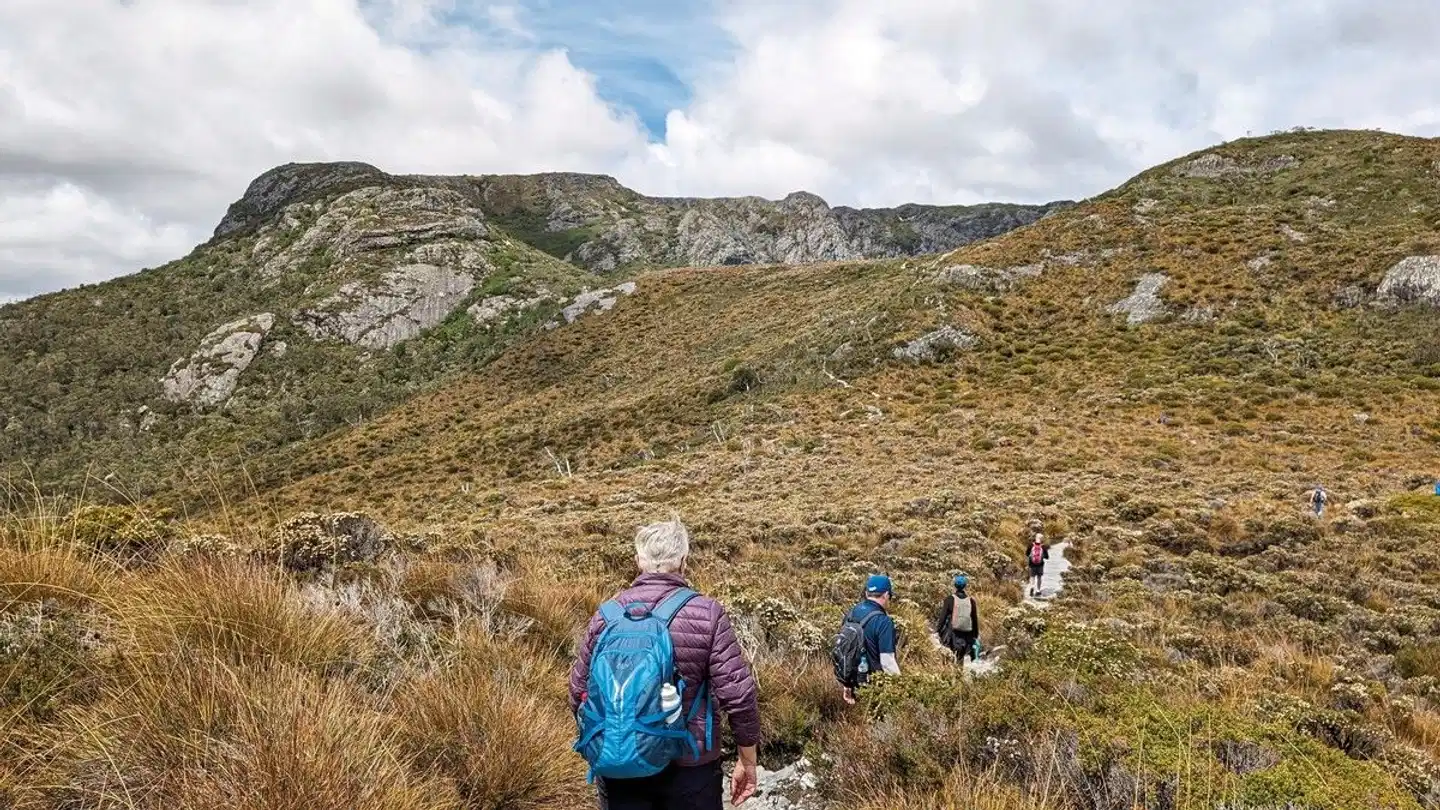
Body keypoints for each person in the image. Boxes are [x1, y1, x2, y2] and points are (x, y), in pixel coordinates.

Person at [569, 517, 761, 809]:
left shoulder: (606, 615)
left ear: (638, 561)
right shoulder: (707, 613)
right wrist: (747, 760)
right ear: (683, 560)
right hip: (691, 767)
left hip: (621, 764)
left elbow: (577, 693)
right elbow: (738, 695)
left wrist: (613, 740)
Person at [839, 574, 901, 705]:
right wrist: (900, 689)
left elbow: (844, 648)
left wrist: (846, 683)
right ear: (886, 595)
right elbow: (887, 662)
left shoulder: (852, 612)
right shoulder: (883, 621)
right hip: (874, 686)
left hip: (852, 682)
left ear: (867, 593)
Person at [933, 574, 980, 668]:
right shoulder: (971, 601)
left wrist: (937, 631)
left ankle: (949, 674)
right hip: (967, 635)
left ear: (955, 585)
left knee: (950, 655)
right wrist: (975, 635)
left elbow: (942, 618)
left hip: (953, 634)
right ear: (965, 586)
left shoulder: (950, 599)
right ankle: (959, 675)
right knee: (960, 658)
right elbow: (974, 619)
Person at [1026, 533, 1049, 598]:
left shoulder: (1030, 545)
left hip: (1032, 564)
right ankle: (1038, 591)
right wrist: (1042, 556)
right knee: (1039, 577)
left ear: (1035, 538)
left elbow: (1027, 554)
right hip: (1040, 565)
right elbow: (1047, 557)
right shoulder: (1043, 547)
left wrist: (1032, 556)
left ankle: (1032, 587)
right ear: (1042, 539)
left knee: (1032, 577)